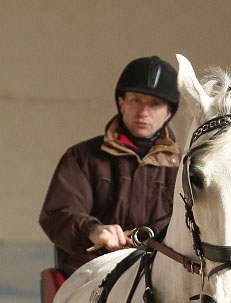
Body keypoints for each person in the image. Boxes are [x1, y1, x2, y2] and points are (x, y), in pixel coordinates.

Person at [39, 55, 180, 277]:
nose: (143, 112)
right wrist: (92, 230)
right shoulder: (82, 157)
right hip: (92, 272)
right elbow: (57, 214)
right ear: (121, 103)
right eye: (136, 100)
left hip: (162, 276)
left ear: (168, 112)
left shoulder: (186, 168)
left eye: (155, 104)